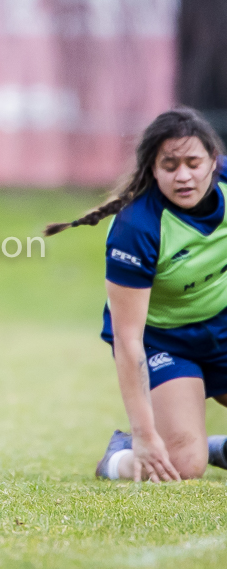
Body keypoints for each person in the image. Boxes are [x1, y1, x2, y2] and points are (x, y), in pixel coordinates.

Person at [45, 108, 227, 482]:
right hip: (164, 342)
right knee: (181, 466)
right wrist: (144, 434)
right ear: (153, 169)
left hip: (221, 324)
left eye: (193, 162)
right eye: (169, 165)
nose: (183, 175)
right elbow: (128, 339)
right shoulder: (136, 226)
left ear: (214, 161)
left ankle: (213, 446)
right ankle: (119, 455)